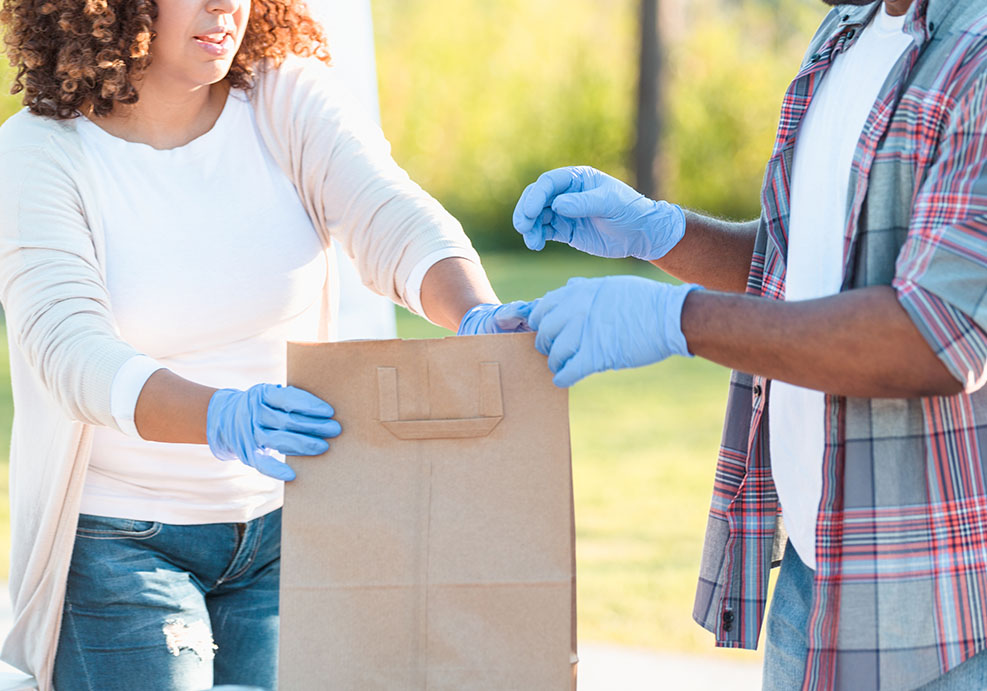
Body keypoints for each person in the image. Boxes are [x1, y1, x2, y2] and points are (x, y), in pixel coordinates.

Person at [0, 0, 529, 687]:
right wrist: (217, 413)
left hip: (288, 529)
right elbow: (67, 348)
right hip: (121, 544)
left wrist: (475, 316)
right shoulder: (40, 152)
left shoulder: (283, 100)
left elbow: (389, 214)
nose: (225, 5)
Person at [514, 0, 987, 689]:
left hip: (939, 619)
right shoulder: (845, 35)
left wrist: (678, 319)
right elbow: (801, 269)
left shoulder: (974, 53)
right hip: (812, 577)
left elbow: (934, 335)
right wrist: (660, 233)